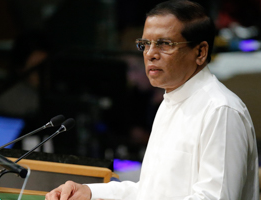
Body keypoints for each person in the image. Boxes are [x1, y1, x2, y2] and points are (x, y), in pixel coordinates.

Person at [45, 0, 259, 199]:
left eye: (164, 44)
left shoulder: (220, 110)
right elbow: (150, 191)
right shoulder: (170, 101)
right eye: (145, 44)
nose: (150, 54)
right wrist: (89, 192)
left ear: (200, 52)